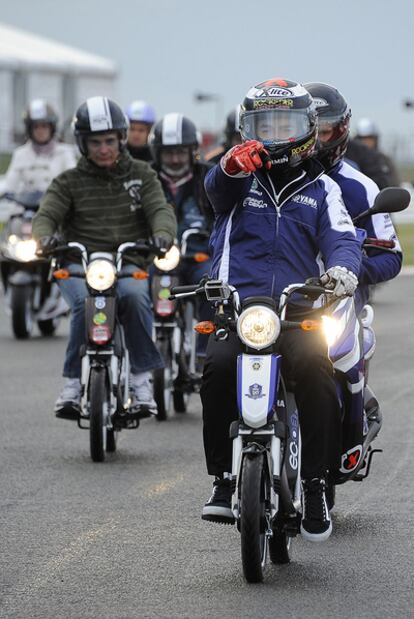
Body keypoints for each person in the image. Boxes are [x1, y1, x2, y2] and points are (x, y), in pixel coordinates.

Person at [200, 78, 362, 542]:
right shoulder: (235, 179)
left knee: (316, 371)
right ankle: (222, 479)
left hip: (298, 310)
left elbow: (343, 240)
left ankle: (315, 483)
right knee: (216, 368)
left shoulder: (324, 190)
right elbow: (214, 191)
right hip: (238, 307)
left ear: (308, 129)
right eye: (262, 125)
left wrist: (343, 273)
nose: (273, 135)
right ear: (245, 129)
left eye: (283, 124)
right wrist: (230, 166)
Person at [32, 96, 176, 418]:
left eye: (110, 140)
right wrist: (44, 237)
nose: (103, 148)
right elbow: (46, 215)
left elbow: (160, 210)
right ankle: (70, 385)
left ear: (121, 139)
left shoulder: (143, 174)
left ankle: (141, 383)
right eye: (95, 142)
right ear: (82, 143)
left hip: (128, 261)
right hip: (78, 262)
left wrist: (163, 235)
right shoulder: (68, 181)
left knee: (138, 298)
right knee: (84, 306)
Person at [304, 82, 402, 312]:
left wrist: (349, 270)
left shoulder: (362, 187)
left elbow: (391, 257)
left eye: (324, 131)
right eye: (309, 130)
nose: (315, 141)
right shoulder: (269, 180)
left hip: (337, 303)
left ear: (341, 130)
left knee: (347, 345)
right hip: (277, 301)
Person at [149, 113, 214, 356]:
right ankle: (141, 354)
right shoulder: (147, 178)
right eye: (168, 152)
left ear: (192, 151)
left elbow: (224, 216)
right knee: (134, 292)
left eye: (181, 152)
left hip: (198, 256)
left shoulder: (209, 177)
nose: (175, 159)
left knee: (212, 287)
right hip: (157, 258)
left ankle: (205, 352)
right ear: (157, 152)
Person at [3, 99, 77, 194]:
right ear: (29, 129)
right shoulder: (20, 154)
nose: (40, 131)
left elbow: (73, 183)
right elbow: (9, 185)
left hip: (56, 206)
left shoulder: (65, 153)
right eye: (36, 127)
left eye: (44, 126)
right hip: (26, 207)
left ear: (52, 128)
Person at [344, 117, 399, 190]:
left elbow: (393, 184)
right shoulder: (346, 160)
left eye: (370, 139)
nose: (366, 143)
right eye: (362, 139)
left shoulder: (383, 159)